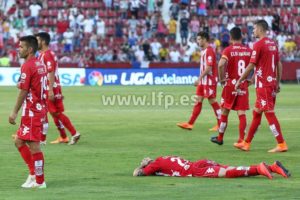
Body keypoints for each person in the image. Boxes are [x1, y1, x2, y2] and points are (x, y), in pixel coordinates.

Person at [235, 20, 288, 153]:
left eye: (253, 29)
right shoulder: (273, 44)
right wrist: (277, 82)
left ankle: (281, 144)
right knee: (257, 113)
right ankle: (246, 143)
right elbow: (278, 64)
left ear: (260, 29)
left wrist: (240, 80)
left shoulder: (258, 44)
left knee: (269, 113)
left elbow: (251, 65)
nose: (252, 31)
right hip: (269, 83)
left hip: (264, 85)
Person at [9, 35, 47, 188]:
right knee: (19, 141)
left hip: (32, 111)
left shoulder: (28, 65)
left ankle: (39, 181)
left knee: (34, 147)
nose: (19, 49)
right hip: (37, 109)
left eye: (21, 47)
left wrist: (14, 112)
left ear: (30, 49)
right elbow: (32, 84)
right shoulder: (39, 64)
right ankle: (33, 174)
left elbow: (24, 91)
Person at [35, 32, 81, 145]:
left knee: (53, 112)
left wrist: (50, 90)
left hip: (51, 87)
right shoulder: (43, 54)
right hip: (52, 86)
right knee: (54, 113)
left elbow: (50, 72)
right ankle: (63, 136)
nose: (36, 43)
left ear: (43, 42)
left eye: (38, 40)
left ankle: (73, 133)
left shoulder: (47, 54)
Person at [210, 27, 252, 146]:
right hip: (242, 84)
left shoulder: (228, 50)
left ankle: (220, 137)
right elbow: (255, 66)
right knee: (241, 113)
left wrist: (222, 79)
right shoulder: (248, 51)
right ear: (242, 37)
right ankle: (241, 140)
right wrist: (251, 80)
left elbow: (220, 65)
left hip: (230, 84)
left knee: (225, 111)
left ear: (231, 37)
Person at [177, 32, 221, 131]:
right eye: (197, 39)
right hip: (203, 81)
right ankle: (190, 123)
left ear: (205, 39)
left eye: (199, 39)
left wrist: (199, 78)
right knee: (198, 100)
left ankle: (220, 124)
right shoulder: (204, 51)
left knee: (212, 100)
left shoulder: (209, 51)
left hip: (209, 81)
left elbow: (209, 67)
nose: (198, 41)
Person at [133, 156, 290, 179]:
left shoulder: (154, 165)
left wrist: (142, 165)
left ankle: (258, 169)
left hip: (195, 170)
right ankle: (272, 167)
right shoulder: (162, 158)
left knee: (226, 173)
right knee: (230, 168)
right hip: (199, 162)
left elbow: (138, 174)